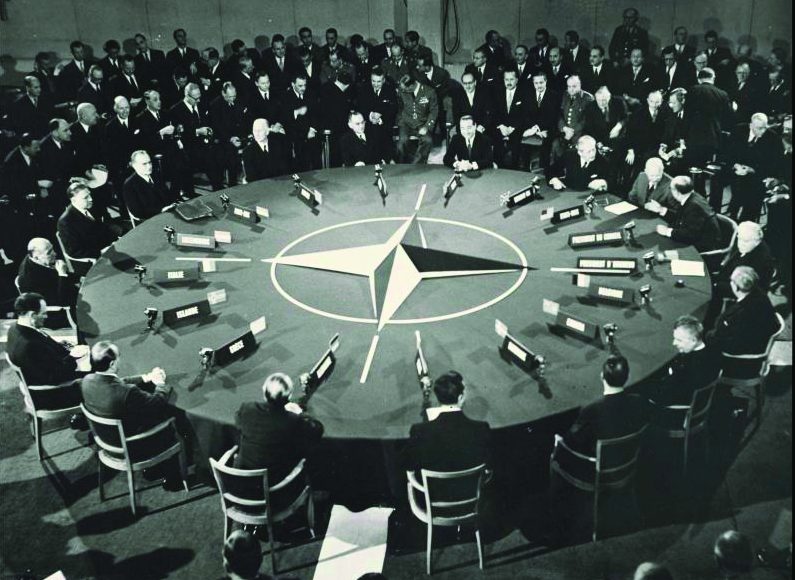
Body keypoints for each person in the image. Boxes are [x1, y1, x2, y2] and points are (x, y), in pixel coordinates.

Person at [404, 371, 491, 499]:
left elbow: (410, 468)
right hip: (470, 497)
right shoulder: (482, 428)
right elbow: (489, 468)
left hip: (434, 498)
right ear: (460, 398)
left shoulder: (418, 431)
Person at [234, 373, 324, 493]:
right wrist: (299, 413)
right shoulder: (292, 420)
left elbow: (238, 421)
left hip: (240, 482)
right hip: (276, 487)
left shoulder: (247, 408)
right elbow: (317, 430)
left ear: (264, 390)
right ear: (289, 395)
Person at [6, 293, 86, 408]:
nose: (46, 316)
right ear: (33, 315)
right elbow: (54, 377)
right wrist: (73, 357)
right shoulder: (30, 345)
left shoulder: (15, 328)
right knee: (98, 374)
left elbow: (42, 354)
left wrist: (62, 347)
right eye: (43, 313)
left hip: (45, 375)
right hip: (51, 395)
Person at [647, 315, 721, 406]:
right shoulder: (710, 352)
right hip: (686, 395)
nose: (674, 343)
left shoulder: (689, 366)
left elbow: (666, 395)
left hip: (677, 403)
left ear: (693, 340)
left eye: (679, 340)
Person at [708, 266, 780, 357]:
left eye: (731, 281)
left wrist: (707, 335)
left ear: (736, 287)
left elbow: (721, 338)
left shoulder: (738, 314)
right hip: (757, 336)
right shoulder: (760, 294)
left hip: (739, 350)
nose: (730, 283)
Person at [644, 175, 721, 251]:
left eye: (670, 189)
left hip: (703, 248)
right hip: (698, 238)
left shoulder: (693, 207)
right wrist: (661, 209)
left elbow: (689, 235)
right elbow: (681, 218)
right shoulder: (691, 197)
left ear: (677, 192)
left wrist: (667, 231)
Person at [726, 112, 779, 222]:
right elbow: (727, 152)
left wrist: (752, 170)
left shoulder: (773, 138)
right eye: (759, 128)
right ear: (751, 125)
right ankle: (730, 215)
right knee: (724, 179)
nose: (763, 131)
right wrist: (735, 165)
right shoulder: (739, 130)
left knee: (752, 189)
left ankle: (746, 218)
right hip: (736, 170)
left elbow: (773, 165)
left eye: (765, 128)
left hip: (757, 174)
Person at [56, 182, 117, 262]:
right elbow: (74, 251)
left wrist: (117, 238)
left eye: (89, 195)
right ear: (74, 200)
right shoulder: (65, 222)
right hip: (96, 258)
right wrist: (100, 252)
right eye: (86, 197)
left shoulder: (93, 205)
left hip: (112, 246)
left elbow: (107, 223)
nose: (90, 199)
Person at [713, 221, 776, 298]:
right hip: (724, 278)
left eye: (745, 241)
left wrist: (715, 285)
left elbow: (745, 289)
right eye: (739, 238)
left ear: (757, 242)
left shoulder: (760, 261)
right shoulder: (747, 244)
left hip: (735, 291)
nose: (740, 244)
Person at [17, 237, 76, 308]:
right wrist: (62, 274)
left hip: (66, 290)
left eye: (52, 249)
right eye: (49, 253)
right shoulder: (29, 279)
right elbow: (62, 301)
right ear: (36, 258)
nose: (55, 253)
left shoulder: (38, 258)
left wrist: (79, 278)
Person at [208, 82, 248, 187]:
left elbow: (241, 122)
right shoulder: (215, 105)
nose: (233, 99)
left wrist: (239, 138)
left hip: (236, 138)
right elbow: (217, 127)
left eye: (234, 96)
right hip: (221, 141)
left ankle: (234, 184)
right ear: (223, 93)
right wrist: (231, 138)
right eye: (230, 97)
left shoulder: (237, 101)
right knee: (227, 157)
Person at [356, 67, 399, 163]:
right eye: (373, 81)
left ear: (383, 80)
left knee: (383, 133)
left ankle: (386, 160)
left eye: (379, 81)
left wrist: (380, 117)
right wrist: (371, 115)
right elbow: (360, 107)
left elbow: (393, 108)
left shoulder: (390, 90)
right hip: (367, 123)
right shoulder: (364, 89)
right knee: (371, 133)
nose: (375, 84)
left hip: (385, 123)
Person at [490, 68, 530, 168]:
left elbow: (525, 114)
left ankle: (514, 169)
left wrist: (512, 128)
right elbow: (493, 113)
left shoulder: (524, 93)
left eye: (511, 79)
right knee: (495, 138)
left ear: (516, 80)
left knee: (516, 142)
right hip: (501, 127)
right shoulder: (497, 92)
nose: (509, 82)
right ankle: (497, 168)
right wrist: (501, 126)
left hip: (516, 127)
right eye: (506, 79)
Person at [281, 73, 321, 171]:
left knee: (316, 162)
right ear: (293, 84)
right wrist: (297, 112)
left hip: (311, 134)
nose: (303, 88)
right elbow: (284, 117)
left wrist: (312, 129)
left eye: (305, 85)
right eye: (300, 86)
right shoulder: (286, 97)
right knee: (300, 165)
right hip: (295, 137)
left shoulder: (311, 94)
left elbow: (317, 114)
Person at [396, 74, 438, 164]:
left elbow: (434, 111)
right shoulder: (401, 91)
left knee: (428, 140)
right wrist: (400, 120)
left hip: (422, 124)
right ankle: (401, 165)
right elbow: (399, 107)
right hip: (406, 123)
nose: (403, 91)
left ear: (412, 85)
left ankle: (417, 165)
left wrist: (427, 126)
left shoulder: (429, 92)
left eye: (405, 89)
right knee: (402, 142)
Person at [123, 150, 177, 220]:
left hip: (169, 213)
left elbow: (167, 195)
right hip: (151, 219)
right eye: (144, 164)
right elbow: (137, 212)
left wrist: (171, 205)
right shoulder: (129, 185)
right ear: (134, 166)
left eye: (150, 162)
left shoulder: (156, 175)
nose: (149, 166)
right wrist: (161, 211)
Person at [317, 71, 354, 167]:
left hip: (322, 131)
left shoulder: (324, 87)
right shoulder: (341, 97)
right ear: (347, 86)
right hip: (336, 134)